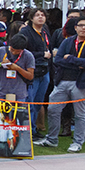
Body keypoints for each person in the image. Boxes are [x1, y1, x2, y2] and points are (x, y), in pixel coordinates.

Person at [36, 15, 85, 152]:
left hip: (81, 83)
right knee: (53, 109)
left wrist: (69, 58)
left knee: (80, 114)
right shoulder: (68, 41)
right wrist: (77, 62)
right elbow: (57, 60)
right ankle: (52, 139)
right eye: (80, 25)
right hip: (63, 81)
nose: (83, 28)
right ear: (75, 28)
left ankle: (78, 142)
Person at [20, 8, 53, 136]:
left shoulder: (45, 31)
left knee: (39, 101)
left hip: (45, 70)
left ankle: (33, 127)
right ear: (31, 18)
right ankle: (28, 130)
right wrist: (41, 54)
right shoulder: (26, 32)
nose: (40, 17)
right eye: (37, 15)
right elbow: (22, 51)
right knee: (30, 101)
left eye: (43, 15)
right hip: (32, 70)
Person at [0, 33, 35, 103]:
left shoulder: (28, 56)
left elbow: (30, 76)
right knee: (0, 113)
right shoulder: (1, 50)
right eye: (12, 50)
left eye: (17, 51)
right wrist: (0, 64)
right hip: (1, 92)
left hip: (19, 94)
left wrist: (18, 68)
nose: (14, 52)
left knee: (17, 113)